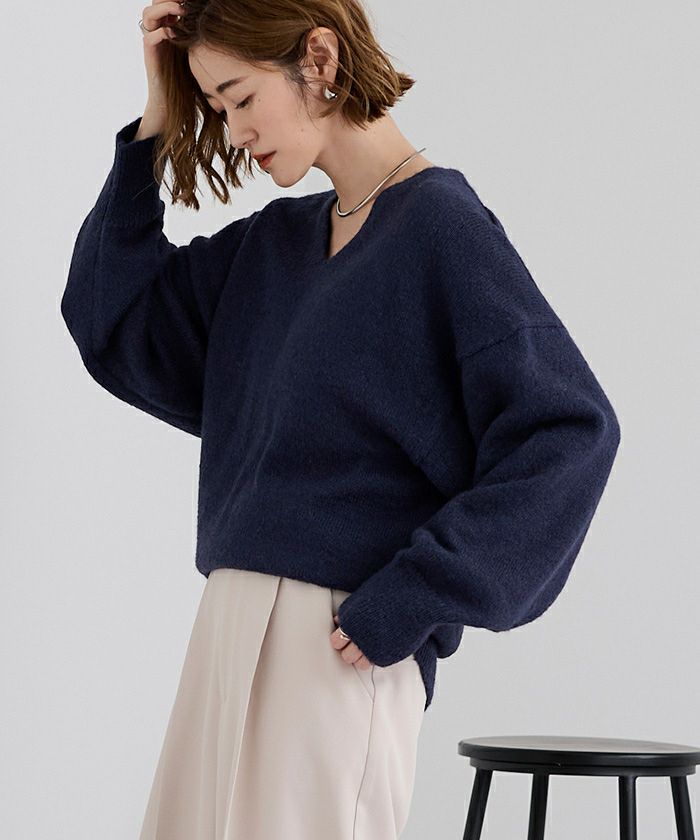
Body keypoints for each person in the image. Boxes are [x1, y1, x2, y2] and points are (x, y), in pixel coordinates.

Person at [60, 1, 622, 838]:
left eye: (241, 98)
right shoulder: (273, 245)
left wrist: (417, 594)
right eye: (215, 107)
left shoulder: (441, 230)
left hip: (336, 648)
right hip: (226, 630)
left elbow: (570, 431)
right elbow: (110, 314)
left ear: (319, 60)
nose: (235, 132)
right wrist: (158, 119)